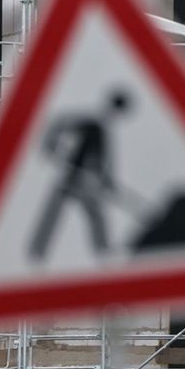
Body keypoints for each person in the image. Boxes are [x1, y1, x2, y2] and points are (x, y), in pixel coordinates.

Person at [28, 91, 130, 259]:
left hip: (85, 179)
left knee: (91, 214)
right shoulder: (90, 122)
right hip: (75, 176)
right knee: (69, 212)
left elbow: (101, 160)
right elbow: (59, 122)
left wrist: (107, 180)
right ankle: (39, 249)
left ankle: (102, 250)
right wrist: (51, 145)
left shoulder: (102, 129)